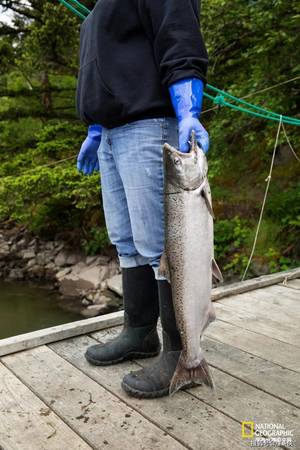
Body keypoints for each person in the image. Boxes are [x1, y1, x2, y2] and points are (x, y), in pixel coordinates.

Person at [76, 0, 209, 398]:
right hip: (112, 132)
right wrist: (96, 129)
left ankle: (182, 351)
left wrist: (189, 110)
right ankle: (138, 331)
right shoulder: (97, 11)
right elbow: (109, 69)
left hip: (148, 124)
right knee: (127, 240)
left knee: (163, 245)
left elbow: (179, 39)